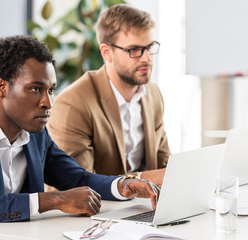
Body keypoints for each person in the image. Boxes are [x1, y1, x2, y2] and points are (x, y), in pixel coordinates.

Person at [0, 35, 160, 240]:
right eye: (35, 89)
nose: (48, 102)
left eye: (51, 89)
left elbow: (77, 178)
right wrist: (52, 200)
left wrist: (123, 185)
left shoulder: (35, 133)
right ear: (2, 87)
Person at [47, 4, 171, 186]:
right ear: (107, 52)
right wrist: (140, 181)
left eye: (149, 47)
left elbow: (165, 167)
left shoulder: (153, 95)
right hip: (94, 211)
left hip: (143, 207)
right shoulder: (74, 103)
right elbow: (77, 184)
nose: (147, 58)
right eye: (134, 50)